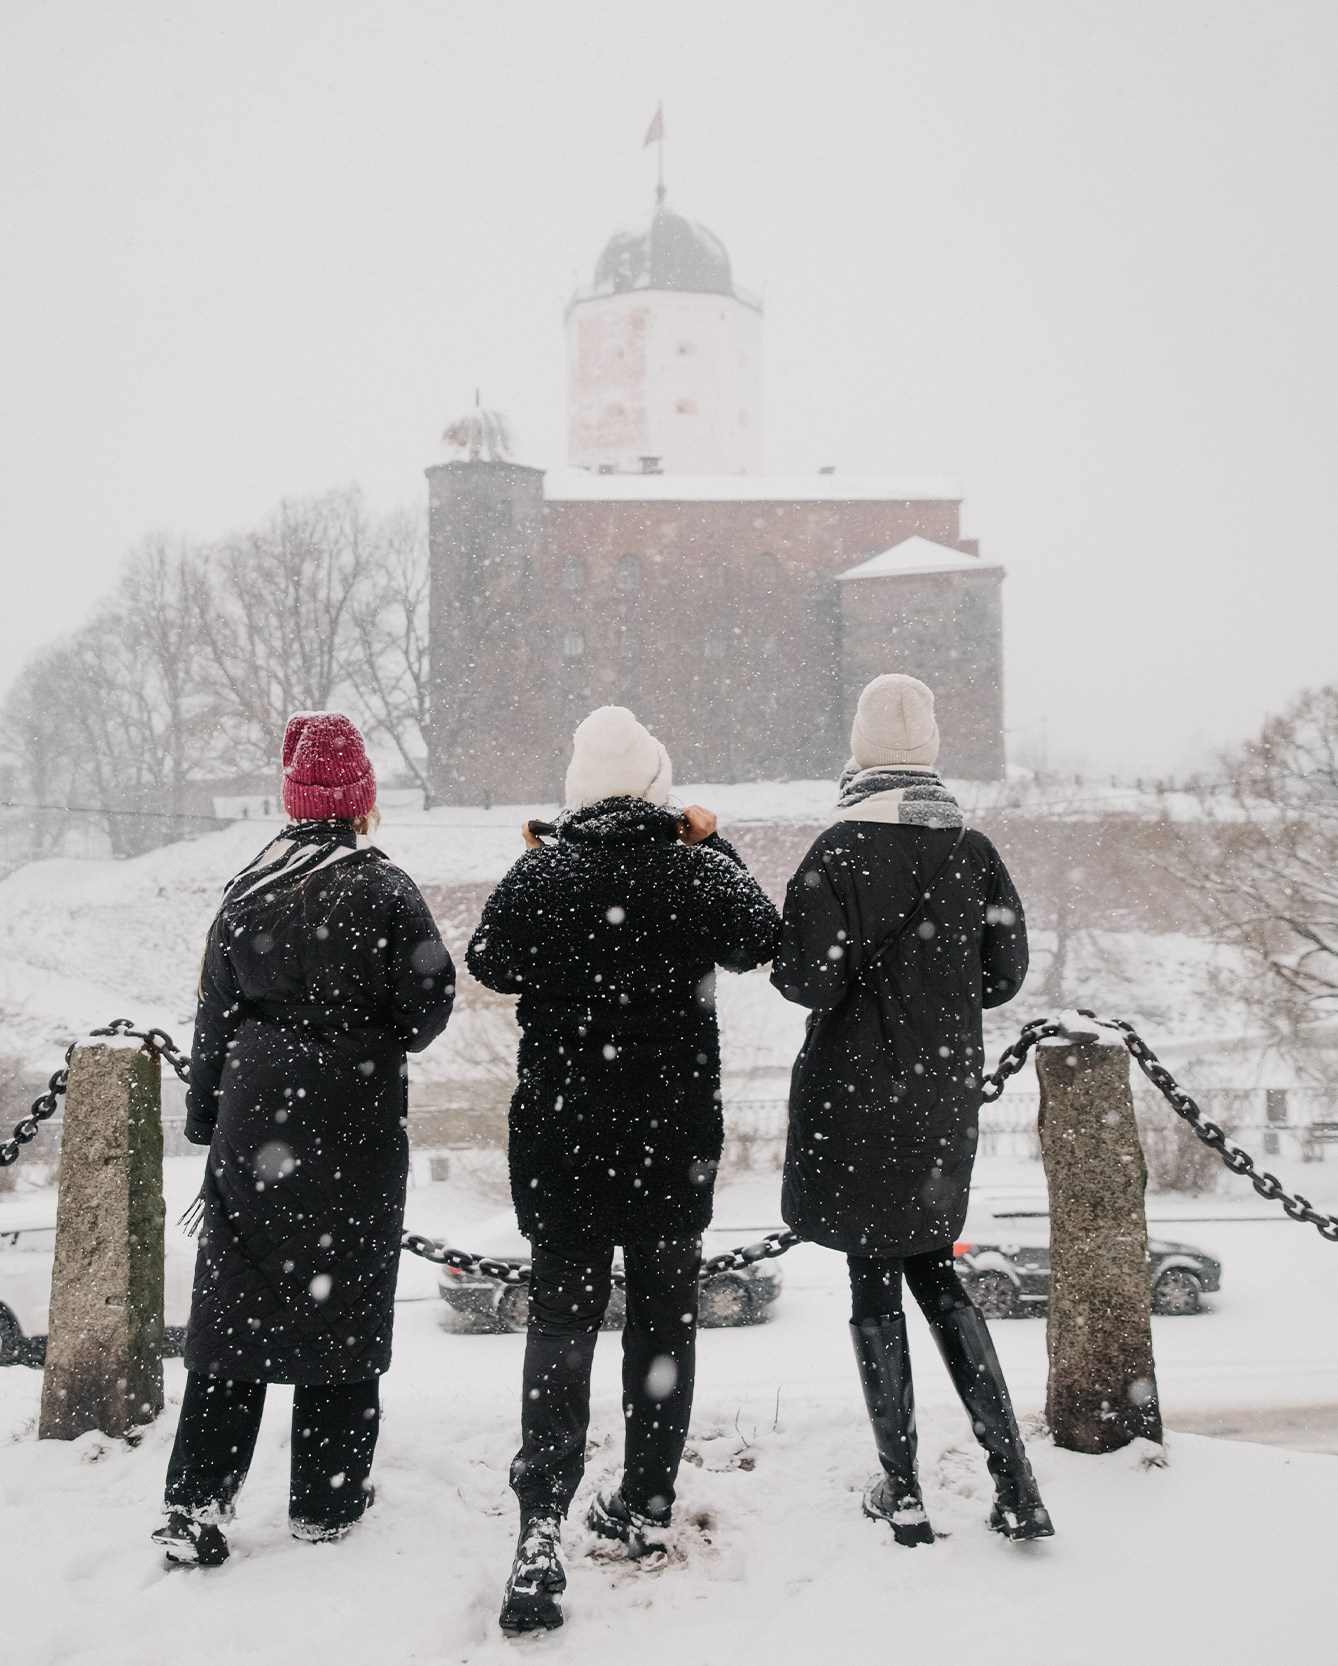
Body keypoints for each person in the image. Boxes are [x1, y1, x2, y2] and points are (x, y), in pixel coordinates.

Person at [467, 705, 780, 1634]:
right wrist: (713, 847)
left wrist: (540, 857)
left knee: (559, 1326)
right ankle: (646, 1503)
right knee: (661, 1324)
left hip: (562, 1143)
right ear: (660, 789)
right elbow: (761, 939)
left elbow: (489, 960)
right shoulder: (692, 870)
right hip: (670, 1145)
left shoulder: (545, 874)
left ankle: (540, 1527)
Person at [152, 712, 455, 1568]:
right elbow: (431, 1003)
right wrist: (374, 1034)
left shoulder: (247, 888)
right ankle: (326, 1500)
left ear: (292, 800)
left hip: (257, 1120)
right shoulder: (385, 888)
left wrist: (210, 1124)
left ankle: (196, 1502)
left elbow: (212, 1020)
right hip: (353, 1117)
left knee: (233, 1313)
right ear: (361, 800)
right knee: (345, 1301)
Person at [771, 674, 1052, 1545]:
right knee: (937, 1271)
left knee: (871, 1280)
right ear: (929, 751)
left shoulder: (837, 850)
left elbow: (803, 979)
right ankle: (1016, 1481)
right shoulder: (973, 851)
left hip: (853, 1102)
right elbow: (1003, 977)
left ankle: (904, 1491)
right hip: (937, 1101)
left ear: (859, 753)